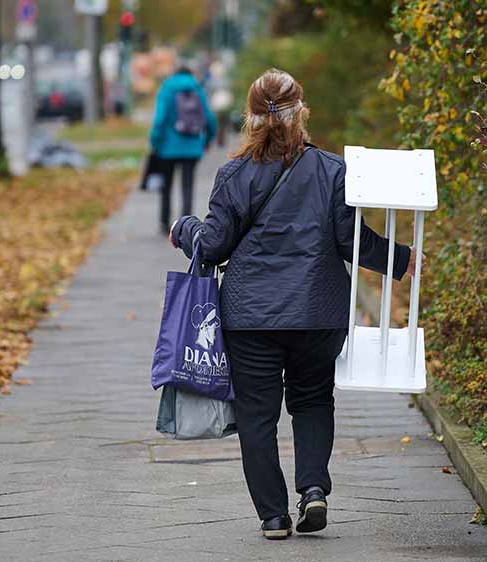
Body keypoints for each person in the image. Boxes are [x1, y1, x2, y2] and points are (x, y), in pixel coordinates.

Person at [168, 69, 424, 540]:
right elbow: (350, 241)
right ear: (301, 112)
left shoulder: (234, 175)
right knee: (311, 401)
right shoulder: (331, 171)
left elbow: (216, 244)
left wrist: (184, 229)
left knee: (256, 415)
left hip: (250, 319)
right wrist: (401, 259)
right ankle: (313, 490)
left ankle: (273, 516)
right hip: (316, 313)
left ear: (250, 118)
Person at [149, 65, 217, 234]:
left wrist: (155, 142)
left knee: (166, 186)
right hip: (192, 146)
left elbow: (159, 118)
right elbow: (209, 119)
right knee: (187, 186)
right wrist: (206, 141)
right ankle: (185, 227)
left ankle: (164, 223)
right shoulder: (197, 89)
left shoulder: (166, 89)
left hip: (167, 147)